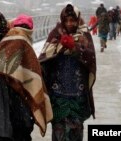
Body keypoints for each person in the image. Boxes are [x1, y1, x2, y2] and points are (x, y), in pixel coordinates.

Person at [0, 12, 53, 141]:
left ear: (3, 23)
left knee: (21, 135)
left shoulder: (18, 40)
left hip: (19, 107)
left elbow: (31, 69)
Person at [38, 4, 96, 141]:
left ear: (78, 20)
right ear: (62, 20)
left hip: (78, 94)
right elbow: (44, 57)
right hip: (58, 95)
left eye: (73, 20)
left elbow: (91, 59)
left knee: (76, 130)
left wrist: (75, 48)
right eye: (67, 20)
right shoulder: (55, 33)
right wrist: (60, 48)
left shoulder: (84, 34)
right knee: (59, 131)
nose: (70, 23)